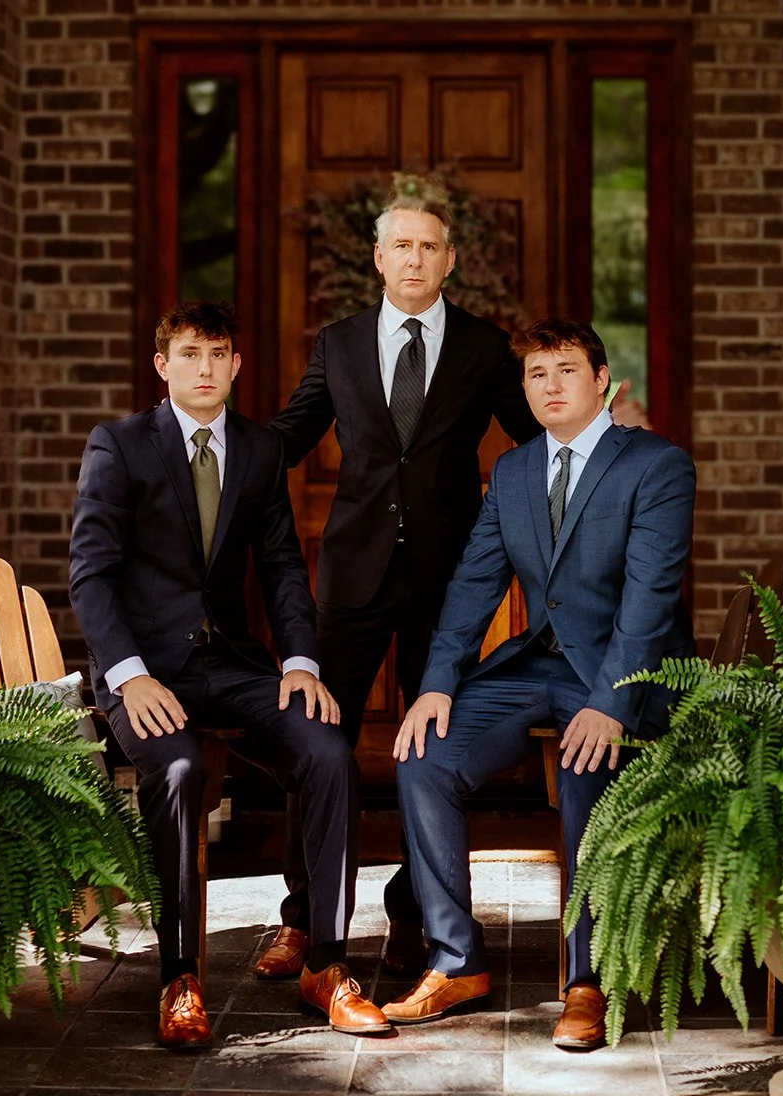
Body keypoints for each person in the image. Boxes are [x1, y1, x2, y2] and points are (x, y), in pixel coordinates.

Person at [69, 299, 389, 1051]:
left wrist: (302, 661)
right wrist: (128, 674)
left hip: (232, 663)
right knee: (178, 769)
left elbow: (280, 564)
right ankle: (181, 980)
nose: (205, 369)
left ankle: (325, 960)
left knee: (327, 750)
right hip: (145, 669)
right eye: (190, 354)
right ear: (163, 365)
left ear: (237, 366)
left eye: (218, 355)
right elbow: (90, 575)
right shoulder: (119, 446)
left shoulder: (257, 450)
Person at [385, 318, 695, 1051]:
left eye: (564, 371)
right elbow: (473, 586)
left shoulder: (656, 465)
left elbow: (650, 601)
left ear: (600, 380)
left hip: (625, 672)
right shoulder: (517, 470)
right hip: (535, 664)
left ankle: (587, 981)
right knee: (422, 755)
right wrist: (436, 683)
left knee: (588, 765)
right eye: (535, 375)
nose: (549, 386)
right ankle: (456, 961)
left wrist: (611, 702)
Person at [262, 185, 541, 978]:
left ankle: (415, 912)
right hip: (351, 577)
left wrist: (603, 435)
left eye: (430, 247)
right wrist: (209, 444)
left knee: (431, 747)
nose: (415, 259)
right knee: (320, 743)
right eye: (402, 246)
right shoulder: (340, 343)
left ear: (449, 261)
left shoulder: (485, 348)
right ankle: (301, 916)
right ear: (380, 259)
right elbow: (290, 435)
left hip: (448, 581)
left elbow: (530, 438)